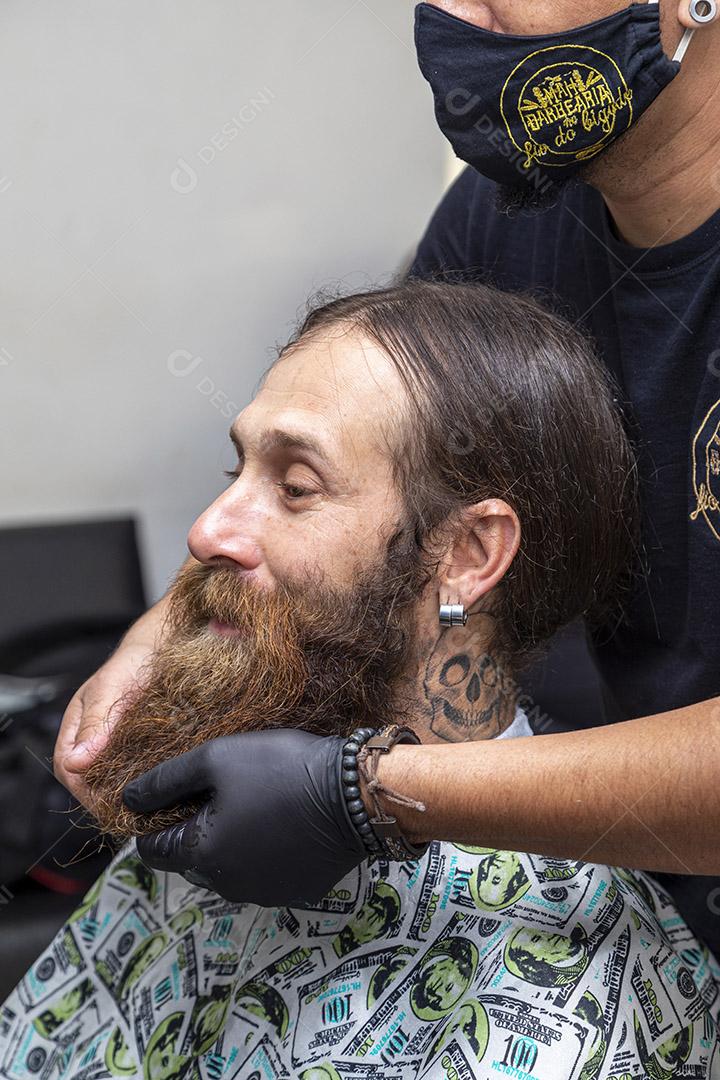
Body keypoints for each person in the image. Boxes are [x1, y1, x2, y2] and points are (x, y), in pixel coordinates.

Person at [54, 0, 720, 961]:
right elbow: (344, 438)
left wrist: (369, 794)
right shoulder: (502, 220)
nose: (451, 14)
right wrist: (167, 636)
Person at [4, 282, 719, 1078]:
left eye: (296, 487)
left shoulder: (571, 1010)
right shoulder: (212, 811)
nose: (206, 529)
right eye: (236, 468)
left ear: (467, 556)